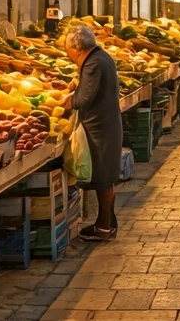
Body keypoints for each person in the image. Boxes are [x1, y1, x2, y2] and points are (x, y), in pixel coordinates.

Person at [65, 24, 122, 241]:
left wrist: (69, 100)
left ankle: (104, 227)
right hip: (105, 125)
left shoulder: (93, 64)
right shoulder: (100, 57)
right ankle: (105, 222)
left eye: (67, 49)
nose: (67, 54)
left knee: (103, 178)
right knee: (104, 177)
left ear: (76, 48)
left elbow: (84, 98)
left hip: (100, 129)